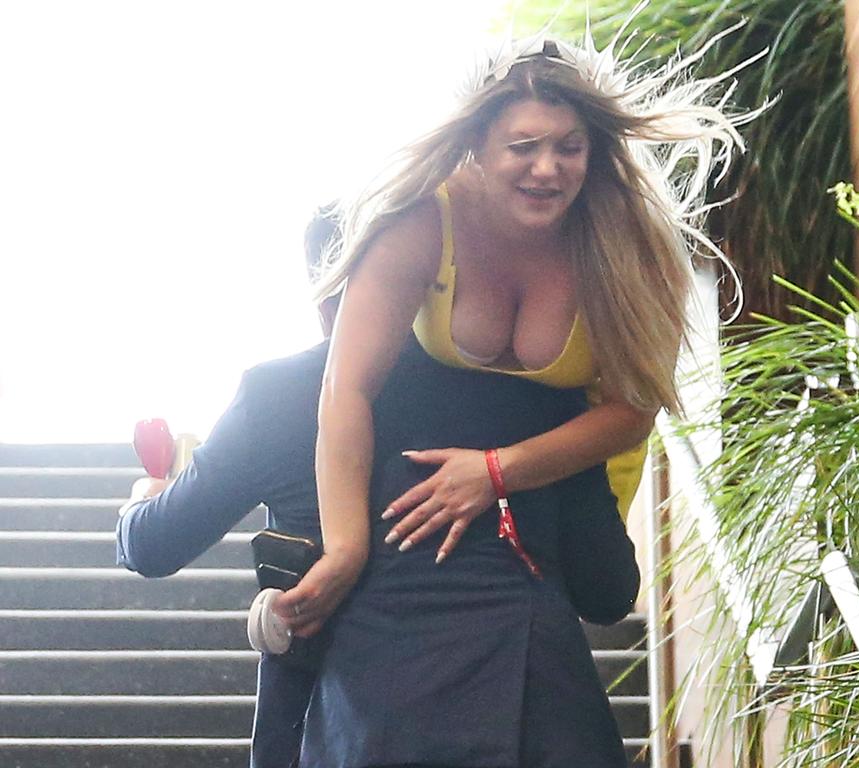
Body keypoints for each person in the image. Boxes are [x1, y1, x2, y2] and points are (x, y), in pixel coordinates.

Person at [282, 26, 749, 768]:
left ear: (594, 151)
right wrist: (345, 546)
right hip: (439, 494)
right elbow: (344, 388)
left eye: (568, 146)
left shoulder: (630, 240)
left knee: (584, 628)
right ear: (477, 145)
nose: (547, 167)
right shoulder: (421, 219)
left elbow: (633, 412)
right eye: (523, 146)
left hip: (572, 458)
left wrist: (495, 472)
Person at [115, 209, 639, 768]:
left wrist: (146, 492)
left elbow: (152, 546)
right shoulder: (535, 393)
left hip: (348, 720)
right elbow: (606, 590)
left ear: (324, 294)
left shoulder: (274, 397)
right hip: (533, 718)